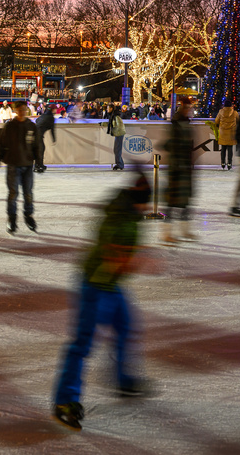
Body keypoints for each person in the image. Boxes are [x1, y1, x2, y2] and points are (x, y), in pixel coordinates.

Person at [51, 173, 153, 431]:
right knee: (82, 343)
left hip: (109, 285)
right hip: (95, 286)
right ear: (139, 201)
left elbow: (145, 218)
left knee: (126, 325)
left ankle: (123, 380)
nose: (148, 209)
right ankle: (64, 401)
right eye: (147, 204)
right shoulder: (120, 220)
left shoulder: (126, 210)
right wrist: (138, 261)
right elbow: (114, 260)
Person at [0, 100, 40, 234]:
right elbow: (1, 143)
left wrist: (39, 160)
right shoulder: (9, 126)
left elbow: (37, 145)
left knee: (28, 193)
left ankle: (28, 216)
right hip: (13, 165)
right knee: (13, 194)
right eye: (20, 109)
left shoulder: (31, 126)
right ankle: (12, 219)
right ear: (15, 110)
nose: (22, 112)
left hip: (27, 165)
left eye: (24, 110)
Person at [163, 98, 196, 244]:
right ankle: (166, 233)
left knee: (185, 202)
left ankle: (185, 230)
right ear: (182, 107)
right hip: (176, 168)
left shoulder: (187, 124)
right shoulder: (176, 124)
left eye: (191, 107)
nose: (190, 109)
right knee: (172, 202)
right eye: (188, 107)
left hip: (185, 167)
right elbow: (170, 145)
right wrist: (177, 163)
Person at [214, 100, 238, 170]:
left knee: (223, 148)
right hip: (231, 133)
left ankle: (223, 162)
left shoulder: (221, 112)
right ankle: (229, 163)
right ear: (231, 105)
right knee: (230, 148)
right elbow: (238, 120)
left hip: (223, 132)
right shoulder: (234, 112)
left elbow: (216, 121)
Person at [34, 104, 56, 173]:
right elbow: (52, 129)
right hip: (38, 135)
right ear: (53, 110)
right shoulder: (51, 117)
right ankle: (38, 166)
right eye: (55, 109)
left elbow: (37, 120)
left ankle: (39, 164)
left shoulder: (44, 115)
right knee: (41, 149)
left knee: (40, 149)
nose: (56, 110)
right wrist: (54, 139)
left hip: (35, 133)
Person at [106, 104, 126, 171]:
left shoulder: (116, 116)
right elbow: (110, 123)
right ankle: (120, 164)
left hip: (119, 134)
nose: (107, 109)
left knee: (117, 150)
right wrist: (101, 124)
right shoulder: (113, 116)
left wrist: (116, 132)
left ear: (111, 108)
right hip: (118, 134)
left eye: (108, 108)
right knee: (116, 150)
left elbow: (120, 125)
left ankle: (120, 164)